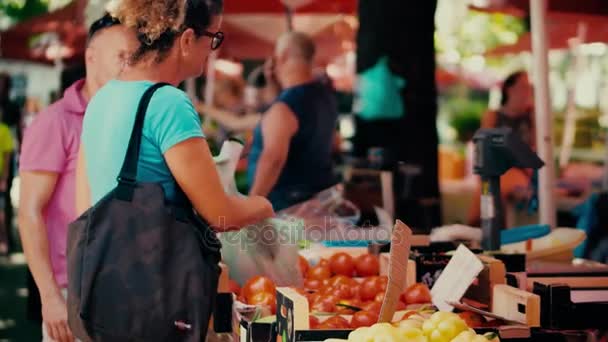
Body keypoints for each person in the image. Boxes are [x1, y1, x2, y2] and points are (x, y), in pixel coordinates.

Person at [76, 0, 272, 235]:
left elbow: (84, 205)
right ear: (188, 40)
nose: (212, 50)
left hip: (108, 264)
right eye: (214, 38)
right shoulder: (169, 103)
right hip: (158, 266)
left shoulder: (102, 98)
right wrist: (263, 206)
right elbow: (221, 216)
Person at [18, 14, 134, 342]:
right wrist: (50, 297)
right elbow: (28, 214)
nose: (130, 65)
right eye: (122, 56)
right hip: (72, 292)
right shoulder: (53, 122)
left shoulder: (128, 116)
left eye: (134, 56)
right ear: (91, 56)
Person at [248, 32, 339, 210]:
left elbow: (273, 160)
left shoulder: (285, 106)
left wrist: (252, 203)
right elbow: (335, 143)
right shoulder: (326, 96)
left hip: (287, 206)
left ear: (283, 56)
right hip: (318, 199)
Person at [468, 71, 535, 226]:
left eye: (529, 88)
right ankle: (487, 233)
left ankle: (479, 231)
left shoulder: (531, 117)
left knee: (492, 187)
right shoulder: (493, 116)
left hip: (520, 171)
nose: (527, 92)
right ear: (509, 90)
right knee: (490, 186)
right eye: (524, 87)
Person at [0, 73, 20, 253]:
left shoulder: (12, 107)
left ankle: (7, 239)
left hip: (7, 154)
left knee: (4, 200)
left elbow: (18, 131)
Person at [0, 120, 14, 255]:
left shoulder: (3, 130)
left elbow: (7, 157)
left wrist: (4, 178)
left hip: (0, 179)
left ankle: (4, 241)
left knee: (2, 213)